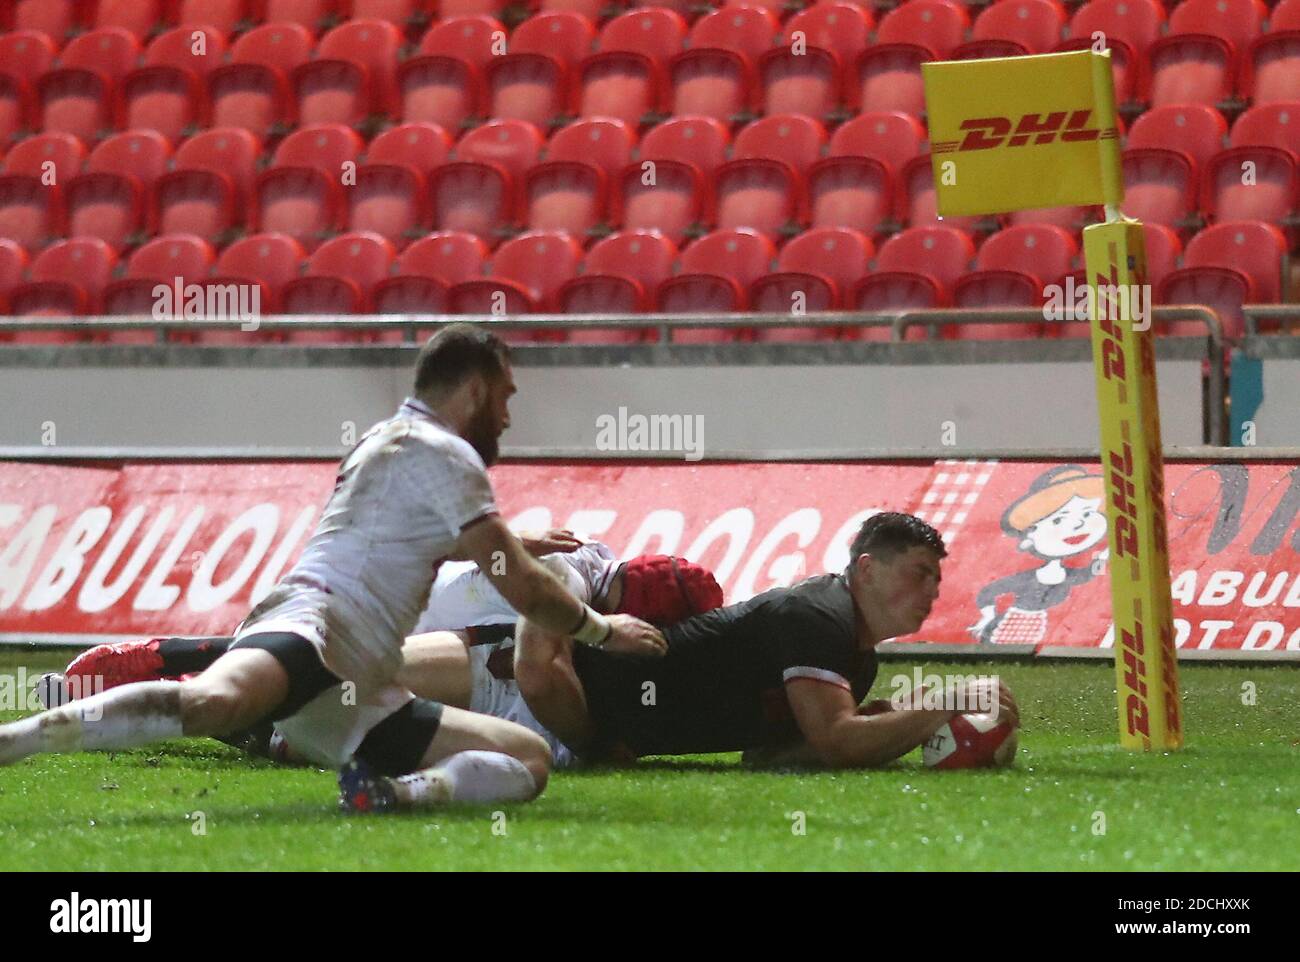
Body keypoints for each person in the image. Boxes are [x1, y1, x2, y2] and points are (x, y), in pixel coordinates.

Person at [0, 324, 666, 813]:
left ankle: (387, 796)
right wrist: (604, 632)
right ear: (474, 388)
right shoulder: (445, 454)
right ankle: (13, 741)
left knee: (529, 757)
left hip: (357, 687)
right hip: (317, 625)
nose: (508, 416)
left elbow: (426, 543)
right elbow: (517, 586)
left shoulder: (394, 440)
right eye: (505, 397)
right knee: (215, 701)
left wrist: (514, 540)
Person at [39, 546, 722, 770]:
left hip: (442, 632)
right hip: (428, 624)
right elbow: (538, 659)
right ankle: (172, 662)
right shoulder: (570, 575)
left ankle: (186, 674)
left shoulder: (581, 565)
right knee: (322, 673)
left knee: (320, 692)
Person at [511, 512, 1019, 768]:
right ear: (866, 569)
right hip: (541, 688)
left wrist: (891, 717)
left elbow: (768, 757)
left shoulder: (856, 660)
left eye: (937, 579)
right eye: (919, 573)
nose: (933, 589)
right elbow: (836, 740)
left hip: (581, 742)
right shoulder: (818, 615)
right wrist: (944, 702)